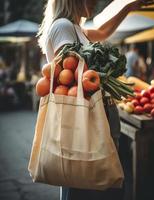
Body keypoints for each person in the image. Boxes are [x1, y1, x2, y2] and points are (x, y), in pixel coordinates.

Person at [37, 0, 146, 199]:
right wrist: (104, 76)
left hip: (89, 121)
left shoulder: (75, 28)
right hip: (83, 124)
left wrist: (129, 7)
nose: (95, 0)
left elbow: (103, 32)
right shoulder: (63, 27)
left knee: (91, 185)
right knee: (85, 188)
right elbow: (70, 74)